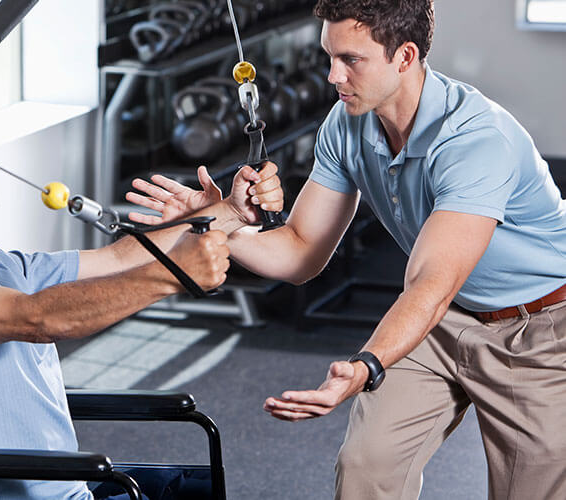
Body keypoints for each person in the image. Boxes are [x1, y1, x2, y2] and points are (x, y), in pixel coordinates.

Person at [125, 0, 566, 498]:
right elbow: (298, 252)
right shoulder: (348, 122)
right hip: (444, 319)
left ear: (404, 56)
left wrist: (366, 365)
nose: (333, 75)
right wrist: (211, 223)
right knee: (365, 467)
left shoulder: (476, 142)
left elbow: (430, 284)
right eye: (328, 56)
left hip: (539, 331)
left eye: (351, 60)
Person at [0, 123, 230, 500]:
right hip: (14, 492)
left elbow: (116, 259)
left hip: (68, 484)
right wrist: (174, 273)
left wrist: (228, 213)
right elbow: (37, 319)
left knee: (204, 488)